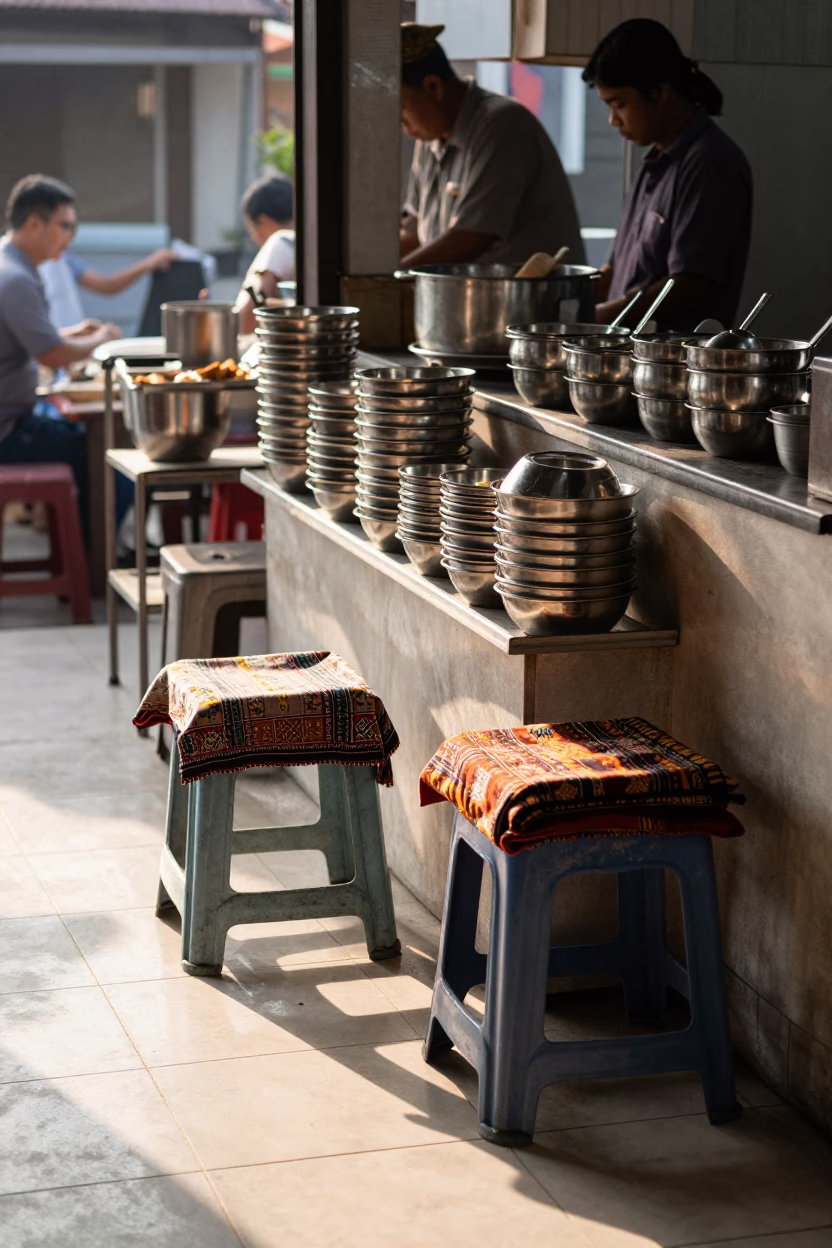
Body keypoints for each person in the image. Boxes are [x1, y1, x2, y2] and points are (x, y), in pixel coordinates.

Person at [584, 19, 753, 332]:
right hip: (626, 351)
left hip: (675, 356)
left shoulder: (710, 163)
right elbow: (616, 269)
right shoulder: (653, 163)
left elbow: (690, 283)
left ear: (659, 92)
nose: (613, 120)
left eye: (619, 104)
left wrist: (604, 320)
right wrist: (571, 305)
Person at [399, 23, 585, 268]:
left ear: (433, 87)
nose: (400, 123)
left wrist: (394, 276)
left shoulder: (501, 125)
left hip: (529, 290)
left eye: (401, 108)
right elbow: (417, 232)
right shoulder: (431, 135)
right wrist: (369, 268)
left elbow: (471, 237)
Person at [0, 174, 122, 542]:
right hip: (10, 433)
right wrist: (100, 339)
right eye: (64, 225)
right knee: (114, 463)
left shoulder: (10, 265)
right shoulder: (15, 278)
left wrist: (76, 333)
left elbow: (33, 339)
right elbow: (52, 355)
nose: (69, 236)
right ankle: (92, 560)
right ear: (34, 223)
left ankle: (84, 552)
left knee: (95, 445)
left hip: (15, 422)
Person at [41, 245, 180, 330]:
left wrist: (149, 263)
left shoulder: (64, 259)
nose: (69, 235)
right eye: (64, 226)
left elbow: (107, 285)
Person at [233, 174, 295, 334]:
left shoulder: (281, 242)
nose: (254, 239)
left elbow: (247, 317)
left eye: (251, 230)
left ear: (263, 221)